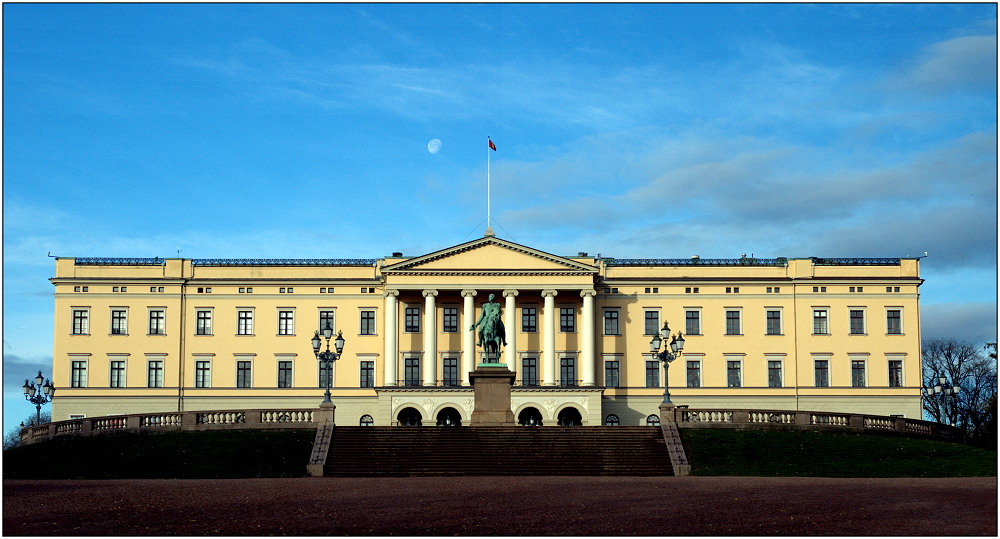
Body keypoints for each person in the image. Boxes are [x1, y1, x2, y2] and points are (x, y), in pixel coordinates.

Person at [470, 294, 507, 359]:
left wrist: (497, 314)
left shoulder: (497, 305)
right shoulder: (485, 306)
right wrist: (476, 324)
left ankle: (504, 341)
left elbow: (499, 312)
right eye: (489, 297)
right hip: (486, 320)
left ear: (494, 298)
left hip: (496, 320)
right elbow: (482, 316)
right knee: (480, 329)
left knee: (502, 328)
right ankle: (480, 341)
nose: (490, 298)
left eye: (492, 297)